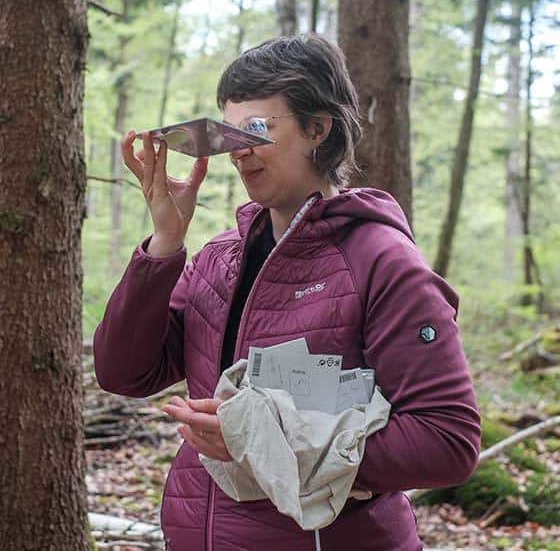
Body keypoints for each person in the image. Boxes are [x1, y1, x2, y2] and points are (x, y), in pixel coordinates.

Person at [94, 34, 480, 551]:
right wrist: (165, 243)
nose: (238, 152)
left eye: (256, 128)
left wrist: (261, 442)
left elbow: (448, 443)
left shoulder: (380, 262)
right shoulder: (217, 260)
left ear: (317, 129)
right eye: (231, 133)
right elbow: (125, 374)